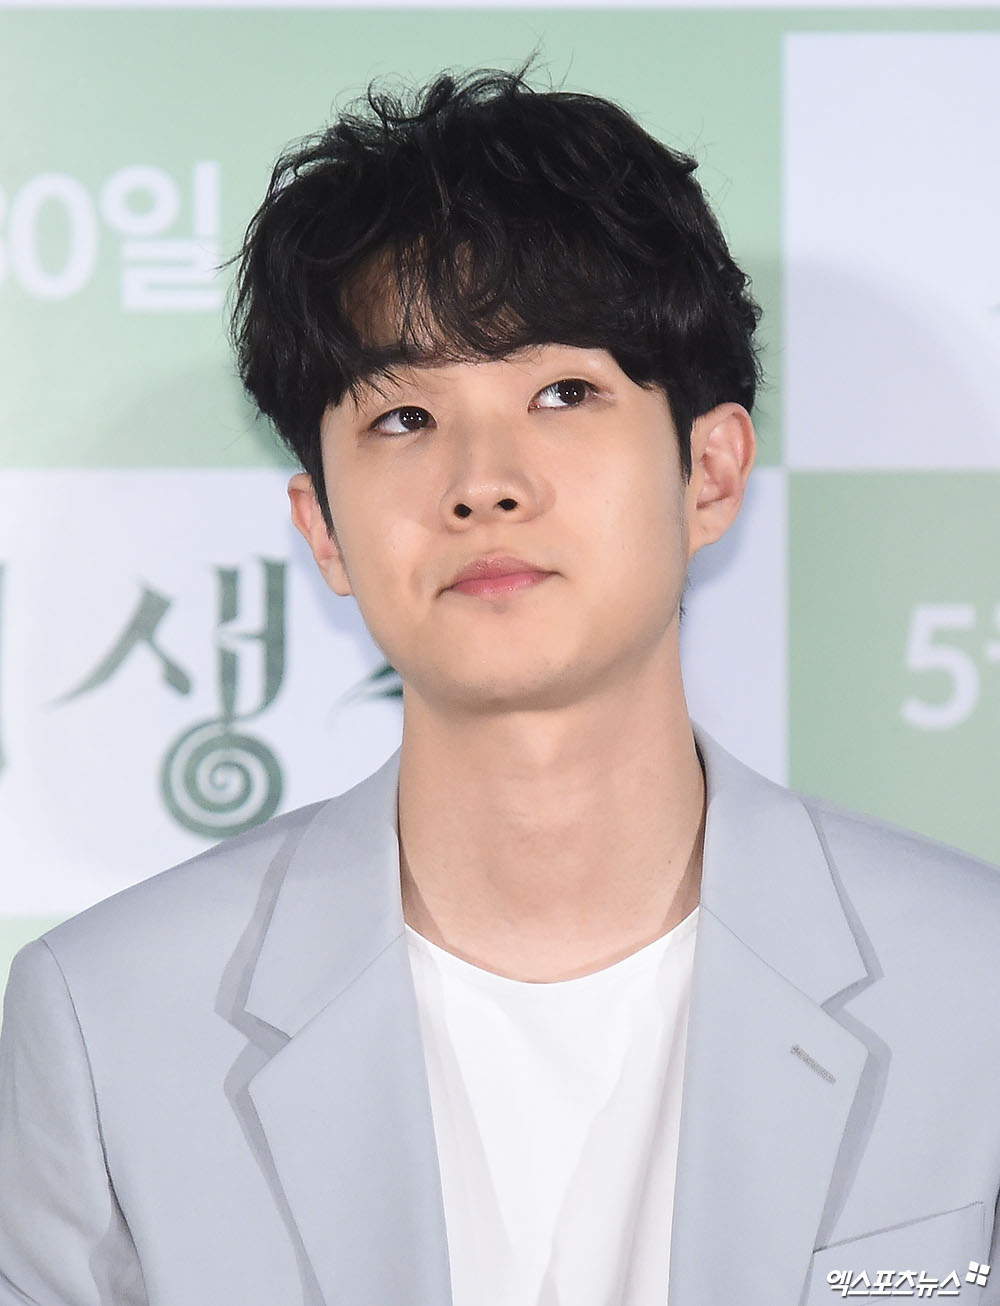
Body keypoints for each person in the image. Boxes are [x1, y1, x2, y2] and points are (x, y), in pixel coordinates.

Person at [2, 64, 999, 1306]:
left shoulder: (976, 986)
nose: (483, 482)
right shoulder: (108, 1022)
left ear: (709, 471)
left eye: (562, 392)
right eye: (402, 419)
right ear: (323, 529)